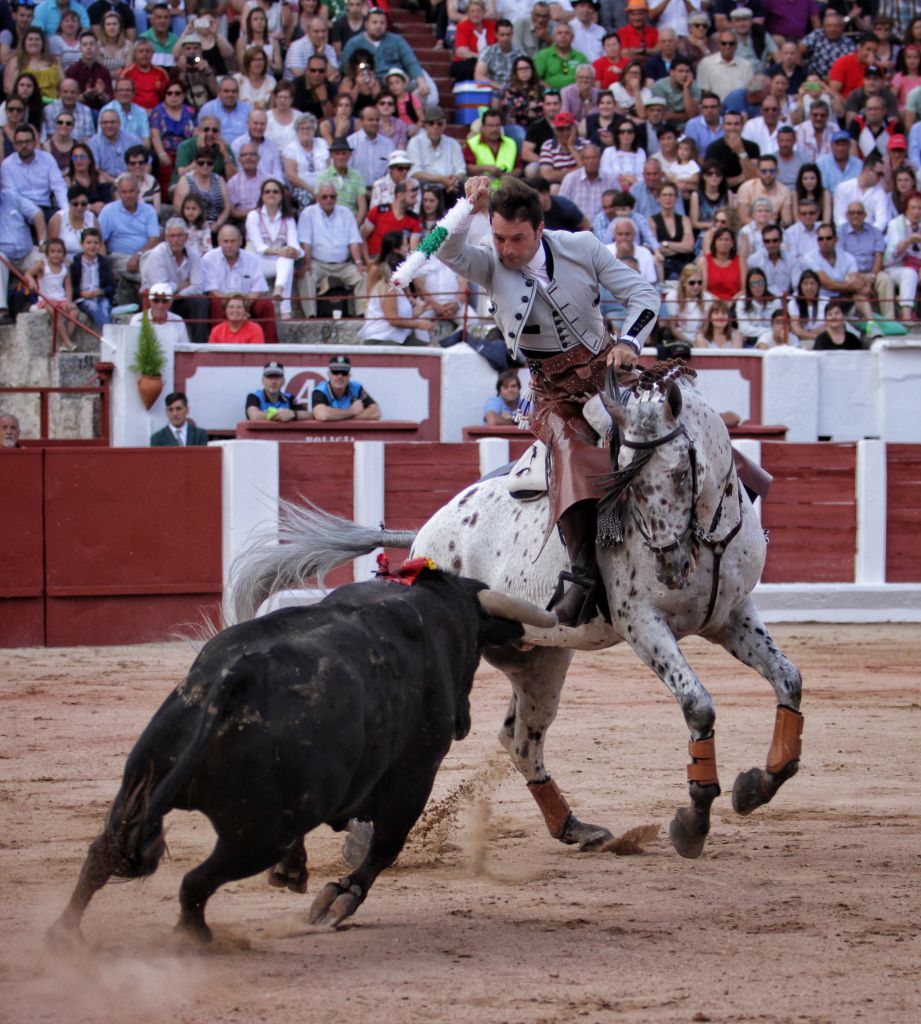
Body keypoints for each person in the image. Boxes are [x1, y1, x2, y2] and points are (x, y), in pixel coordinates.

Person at [437, 174, 659, 625]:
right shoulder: (489, 264)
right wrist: (467, 208)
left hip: (608, 372)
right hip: (553, 392)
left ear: (539, 230)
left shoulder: (581, 247)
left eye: (517, 239)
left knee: (676, 422)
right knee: (571, 452)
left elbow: (643, 294)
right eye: (498, 237)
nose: (506, 249)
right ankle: (582, 576)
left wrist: (630, 343)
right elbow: (445, 249)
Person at [297, 180, 366, 317]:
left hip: (344, 265)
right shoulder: (308, 213)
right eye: (324, 196)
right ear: (317, 198)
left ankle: (362, 314)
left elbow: (354, 241)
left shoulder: (346, 213)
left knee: (364, 276)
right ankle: (311, 316)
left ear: (336, 197)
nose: (329, 200)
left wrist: (358, 262)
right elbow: (306, 242)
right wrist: (307, 263)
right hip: (318, 263)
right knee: (306, 275)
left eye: (332, 196)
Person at [201, 223, 278, 342]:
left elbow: (257, 289)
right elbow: (212, 291)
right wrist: (234, 304)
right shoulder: (209, 259)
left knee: (265, 304)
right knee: (215, 303)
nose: (229, 245)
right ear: (219, 242)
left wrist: (244, 306)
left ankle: (271, 349)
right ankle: (216, 346)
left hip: (248, 302)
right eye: (225, 241)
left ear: (240, 241)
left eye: (233, 241)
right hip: (223, 302)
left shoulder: (252, 259)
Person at [358, 230, 433, 346]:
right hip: (383, 333)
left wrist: (416, 310)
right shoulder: (383, 281)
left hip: (397, 326)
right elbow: (376, 301)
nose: (408, 247)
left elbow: (405, 296)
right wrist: (418, 323)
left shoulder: (396, 283)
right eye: (405, 244)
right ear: (396, 249)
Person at [140, 217, 209, 342]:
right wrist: (181, 285)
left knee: (201, 302)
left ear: (186, 237)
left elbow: (198, 286)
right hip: (157, 300)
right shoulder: (157, 255)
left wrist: (178, 294)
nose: (176, 240)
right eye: (172, 236)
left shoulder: (193, 255)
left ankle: (200, 346)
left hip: (180, 299)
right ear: (166, 238)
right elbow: (161, 290)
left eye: (179, 235)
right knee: (163, 301)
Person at [244, 178, 303, 319]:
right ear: (262, 196)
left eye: (275, 191)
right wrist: (281, 251)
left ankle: (279, 290)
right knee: (285, 259)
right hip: (255, 262)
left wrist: (293, 251)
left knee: (287, 260)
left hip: (276, 262)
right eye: (267, 192)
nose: (271, 194)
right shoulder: (253, 216)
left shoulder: (288, 218)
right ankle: (285, 310)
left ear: (281, 196)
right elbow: (258, 246)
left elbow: (294, 243)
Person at [2, 125, 70, 220]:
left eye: (27, 141)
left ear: (34, 142)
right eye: (20, 142)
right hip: (21, 211)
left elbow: (58, 186)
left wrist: (65, 210)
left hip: (46, 207)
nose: (24, 146)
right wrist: (32, 211)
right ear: (14, 145)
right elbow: (12, 194)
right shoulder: (7, 164)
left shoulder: (47, 159)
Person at [0, 188, 45, 326]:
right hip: (4, 255)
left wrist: (43, 241)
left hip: (27, 252)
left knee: (48, 257)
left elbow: (37, 214)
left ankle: (47, 302)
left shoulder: (10, 196)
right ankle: (2, 311)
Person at [27, 237, 78, 351]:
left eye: (59, 252)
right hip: (46, 298)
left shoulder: (65, 267)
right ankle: (67, 342)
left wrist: (69, 301)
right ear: (47, 253)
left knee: (74, 312)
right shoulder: (42, 264)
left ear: (64, 253)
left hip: (61, 298)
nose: (56, 255)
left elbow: (68, 286)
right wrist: (31, 280)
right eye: (52, 251)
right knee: (56, 313)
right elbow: (28, 273)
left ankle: (66, 341)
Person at [406, 105, 465, 199]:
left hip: (449, 186)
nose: (435, 126)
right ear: (425, 125)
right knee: (420, 184)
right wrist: (441, 179)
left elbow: (461, 170)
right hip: (426, 186)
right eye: (431, 123)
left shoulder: (453, 144)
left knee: (461, 185)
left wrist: (453, 180)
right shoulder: (415, 142)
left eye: (439, 123)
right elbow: (416, 173)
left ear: (445, 125)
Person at [172, 144, 230, 234]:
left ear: (213, 164)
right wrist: (196, 224)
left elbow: (227, 207)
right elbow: (178, 206)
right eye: (201, 162)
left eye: (209, 163)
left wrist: (218, 224)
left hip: (215, 225)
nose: (205, 166)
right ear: (195, 163)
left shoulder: (219, 180)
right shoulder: (186, 179)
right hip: (191, 225)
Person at [362, 179, 421, 257]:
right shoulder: (378, 211)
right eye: (413, 197)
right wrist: (368, 261)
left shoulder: (415, 219)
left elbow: (414, 249)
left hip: (399, 263)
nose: (416, 201)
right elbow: (362, 237)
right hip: (375, 260)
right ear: (400, 195)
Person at [315, 135, 368, 223]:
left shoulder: (356, 175)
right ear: (332, 155)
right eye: (337, 153)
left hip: (351, 221)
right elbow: (319, 205)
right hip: (329, 221)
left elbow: (362, 207)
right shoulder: (323, 176)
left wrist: (355, 227)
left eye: (343, 153)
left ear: (349, 155)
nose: (340, 157)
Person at [312, 354, 380, 420]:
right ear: (329, 375)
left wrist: (340, 417)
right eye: (335, 372)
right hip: (328, 431)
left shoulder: (356, 388)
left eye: (344, 373)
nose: (340, 376)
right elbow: (322, 415)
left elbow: (375, 412)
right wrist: (352, 411)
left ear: (349, 376)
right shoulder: (321, 390)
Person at [71, 225, 115, 328]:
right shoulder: (76, 264)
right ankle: (110, 338)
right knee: (93, 307)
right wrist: (81, 293)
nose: (92, 246)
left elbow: (112, 286)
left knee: (105, 308)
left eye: (96, 243)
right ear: (82, 245)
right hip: (83, 298)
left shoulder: (103, 263)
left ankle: (108, 337)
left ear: (100, 245)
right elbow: (70, 287)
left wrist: (101, 291)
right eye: (89, 243)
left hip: (100, 296)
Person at [245, 360, 310, 421]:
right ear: (262, 380)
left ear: (284, 381)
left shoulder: (289, 398)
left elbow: (309, 415)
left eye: (277, 377)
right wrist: (279, 414)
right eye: (269, 377)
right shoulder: (254, 397)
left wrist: (293, 414)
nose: (273, 381)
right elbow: (254, 416)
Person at [734, 267, 781, 347]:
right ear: (748, 286)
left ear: (765, 283)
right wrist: (770, 331)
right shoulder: (742, 302)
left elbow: (779, 326)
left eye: (760, 283)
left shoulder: (775, 301)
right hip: (750, 342)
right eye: (753, 284)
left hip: (771, 342)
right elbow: (744, 329)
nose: (757, 287)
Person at [48, 185, 98, 257]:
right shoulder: (58, 218)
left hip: (88, 260)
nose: (79, 207)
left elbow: (100, 245)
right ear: (69, 203)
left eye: (83, 204)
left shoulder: (92, 218)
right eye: (75, 204)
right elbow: (52, 247)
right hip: (62, 261)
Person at [699, 225, 742, 302]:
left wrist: (731, 302)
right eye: (720, 239)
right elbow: (703, 290)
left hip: (734, 303)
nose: (723, 242)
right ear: (714, 242)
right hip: (710, 302)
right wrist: (719, 303)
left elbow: (744, 290)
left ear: (732, 243)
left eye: (726, 240)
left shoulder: (740, 261)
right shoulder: (704, 261)